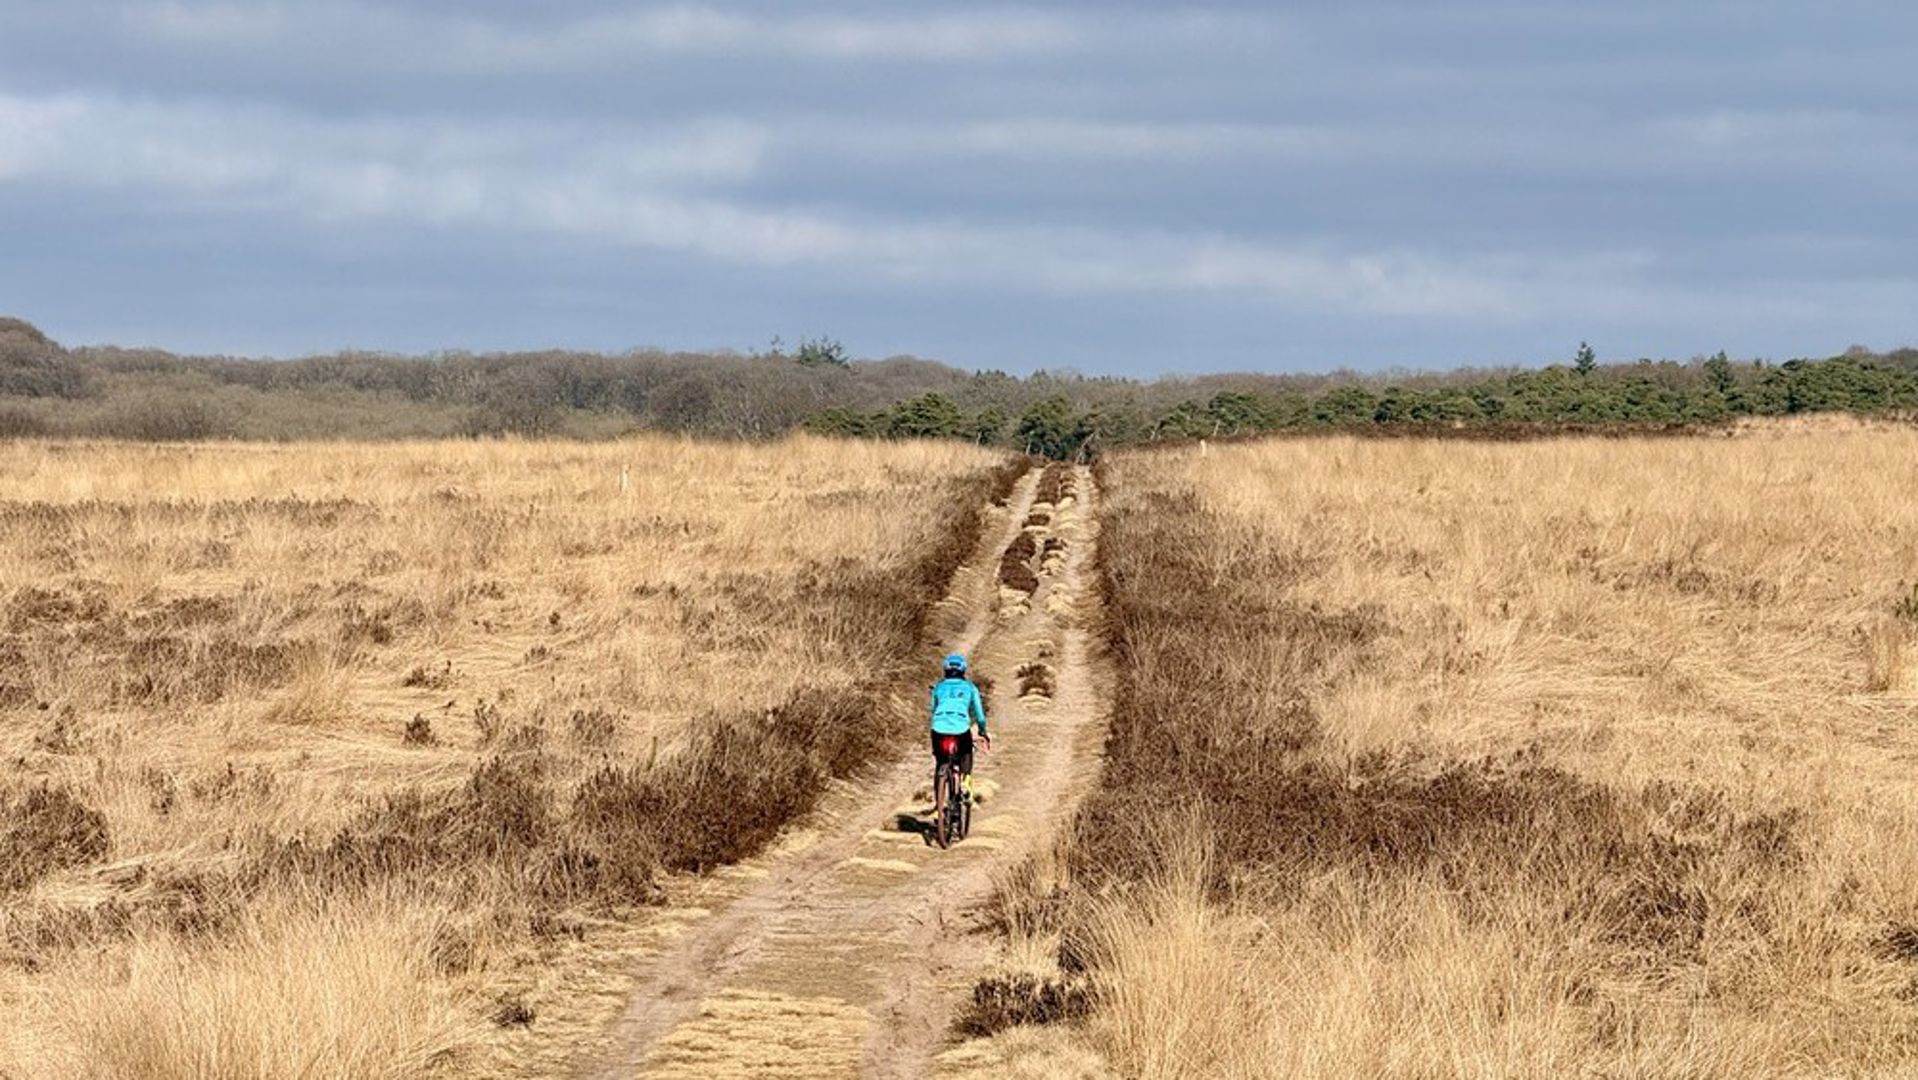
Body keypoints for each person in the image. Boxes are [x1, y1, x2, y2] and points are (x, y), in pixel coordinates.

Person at [929, 652, 989, 805]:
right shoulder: (970, 688)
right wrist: (982, 731)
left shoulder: (939, 687)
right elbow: (980, 716)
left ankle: (939, 804)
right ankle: (966, 780)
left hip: (938, 727)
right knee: (966, 752)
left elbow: (933, 709)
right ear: (963, 670)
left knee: (940, 762)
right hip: (961, 728)